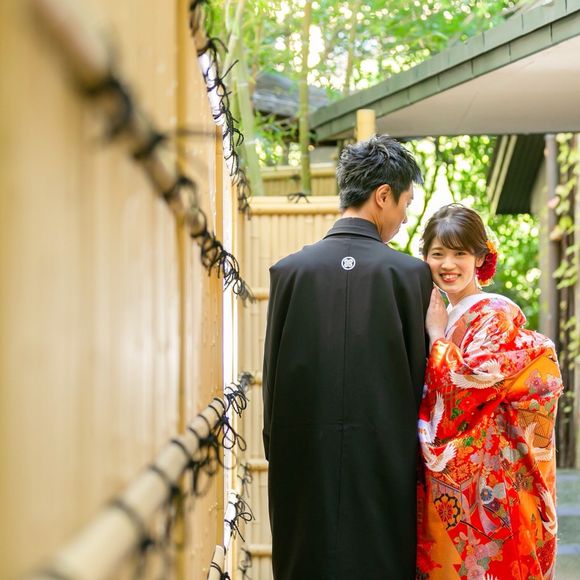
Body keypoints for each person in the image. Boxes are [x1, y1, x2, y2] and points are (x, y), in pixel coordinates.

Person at [262, 135, 433, 580]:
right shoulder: (410, 275)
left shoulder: (289, 272)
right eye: (405, 203)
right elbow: (422, 384)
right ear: (383, 196)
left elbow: (272, 383)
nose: (404, 216)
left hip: (303, 465)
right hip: (385, 466)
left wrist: (279, 451)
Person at [416, 204, 562, 580]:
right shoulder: (443, 311)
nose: (448, 264)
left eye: (460, 253)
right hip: (463, 484)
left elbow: (467, 387)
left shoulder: (493, 314)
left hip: (493, 480)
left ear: (480, 258)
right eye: (438, 254)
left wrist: (436, 337)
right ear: (424, 257)